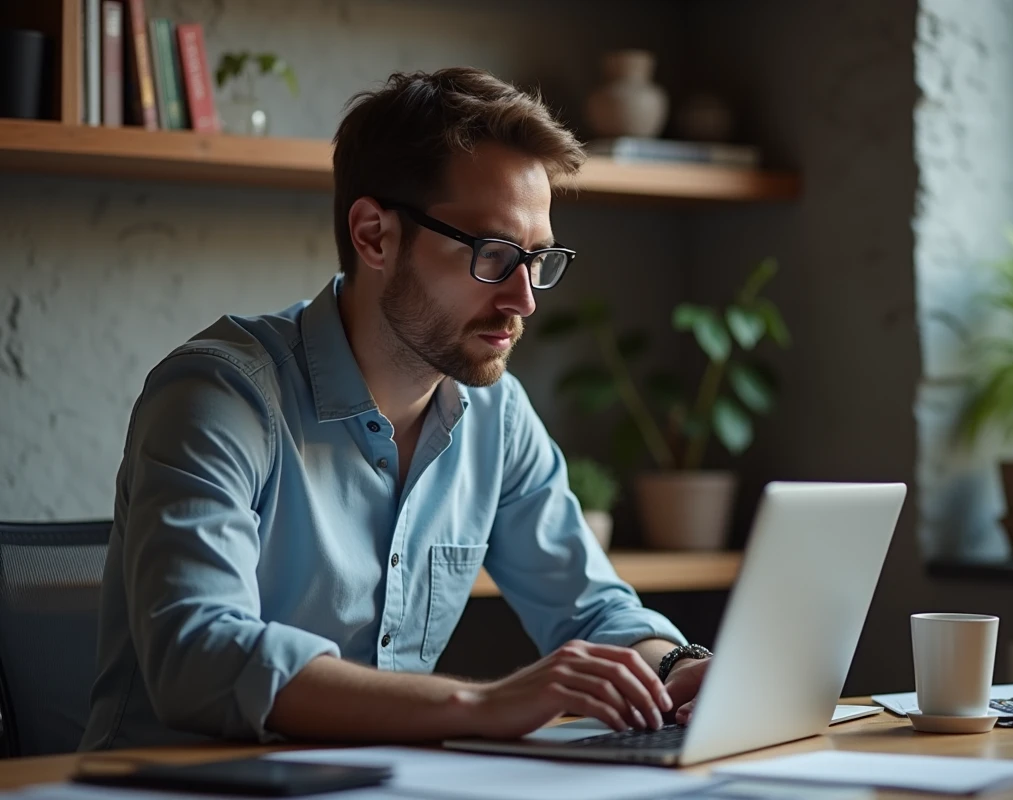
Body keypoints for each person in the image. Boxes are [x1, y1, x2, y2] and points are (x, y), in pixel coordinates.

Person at [80, 67, 713, 751]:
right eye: (494, 255)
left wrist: (681, 670)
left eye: (538, 259)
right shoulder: (219, 397)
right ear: (374, 235)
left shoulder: (494, 414)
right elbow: (199, 658)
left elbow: (591, 609)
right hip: (175, 790)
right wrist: (481, 703)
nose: (525, 299)